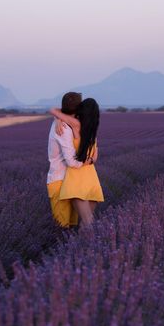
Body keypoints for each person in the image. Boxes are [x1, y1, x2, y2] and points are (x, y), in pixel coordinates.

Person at [49, 97, 104, 229]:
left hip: (76, 177)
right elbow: (95, 155)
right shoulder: (93, 129)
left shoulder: (75, 124)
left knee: (87, 223)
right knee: (88, 222)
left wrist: (58, 118)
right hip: (91, 176)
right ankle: (85, 248)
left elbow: (53, 110)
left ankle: (86, 248)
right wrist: (90, 160)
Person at [46, 92, 90, 228]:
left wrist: (57, 117)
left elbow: (56, 111)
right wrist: (88, 161)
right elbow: (71, 161)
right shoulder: (63, 128)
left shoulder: (64, 123)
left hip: (70, 181)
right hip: (60, 182)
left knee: (71, 227)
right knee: (62, 227)